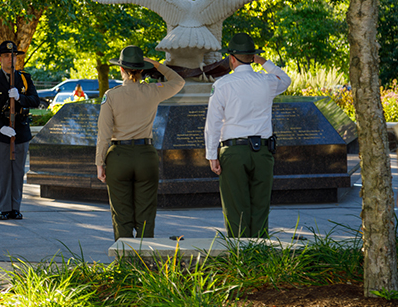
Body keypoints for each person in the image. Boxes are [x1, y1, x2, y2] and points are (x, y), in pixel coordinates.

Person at [204, 33, 291, 238]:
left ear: (232, 59)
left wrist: (211, 155)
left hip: (233, 152)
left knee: (236, 208)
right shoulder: (267, 81)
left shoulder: (222, 85)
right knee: (260, 206)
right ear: (252, 57)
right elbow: (286, 79)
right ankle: (260, 255)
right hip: (262, 151)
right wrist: (263, 62)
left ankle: (240, 256)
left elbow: (213, 122)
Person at [95, 45, 185, 241]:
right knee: (146, 212)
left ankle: (125, 261)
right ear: (142, 70)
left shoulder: (111, 95)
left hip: (119, 157)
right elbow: (178, 82)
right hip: (146, 155)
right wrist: (157, 64)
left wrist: (99, 163)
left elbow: (104, 133)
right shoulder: (153, 91)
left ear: (121, 69)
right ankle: (145, 261)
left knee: (121, 213)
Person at [0, 40, 40, 220]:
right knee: (3, 172)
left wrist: (20, 97)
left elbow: (35, 100)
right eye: (6, 56)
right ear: (0, 58)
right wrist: (1, 127)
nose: (10, 59)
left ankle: (15, 207)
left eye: (12, 55)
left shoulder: (24, 78)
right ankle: (4, 208)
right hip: (2, 133)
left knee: (17, 171)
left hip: (21, 132)